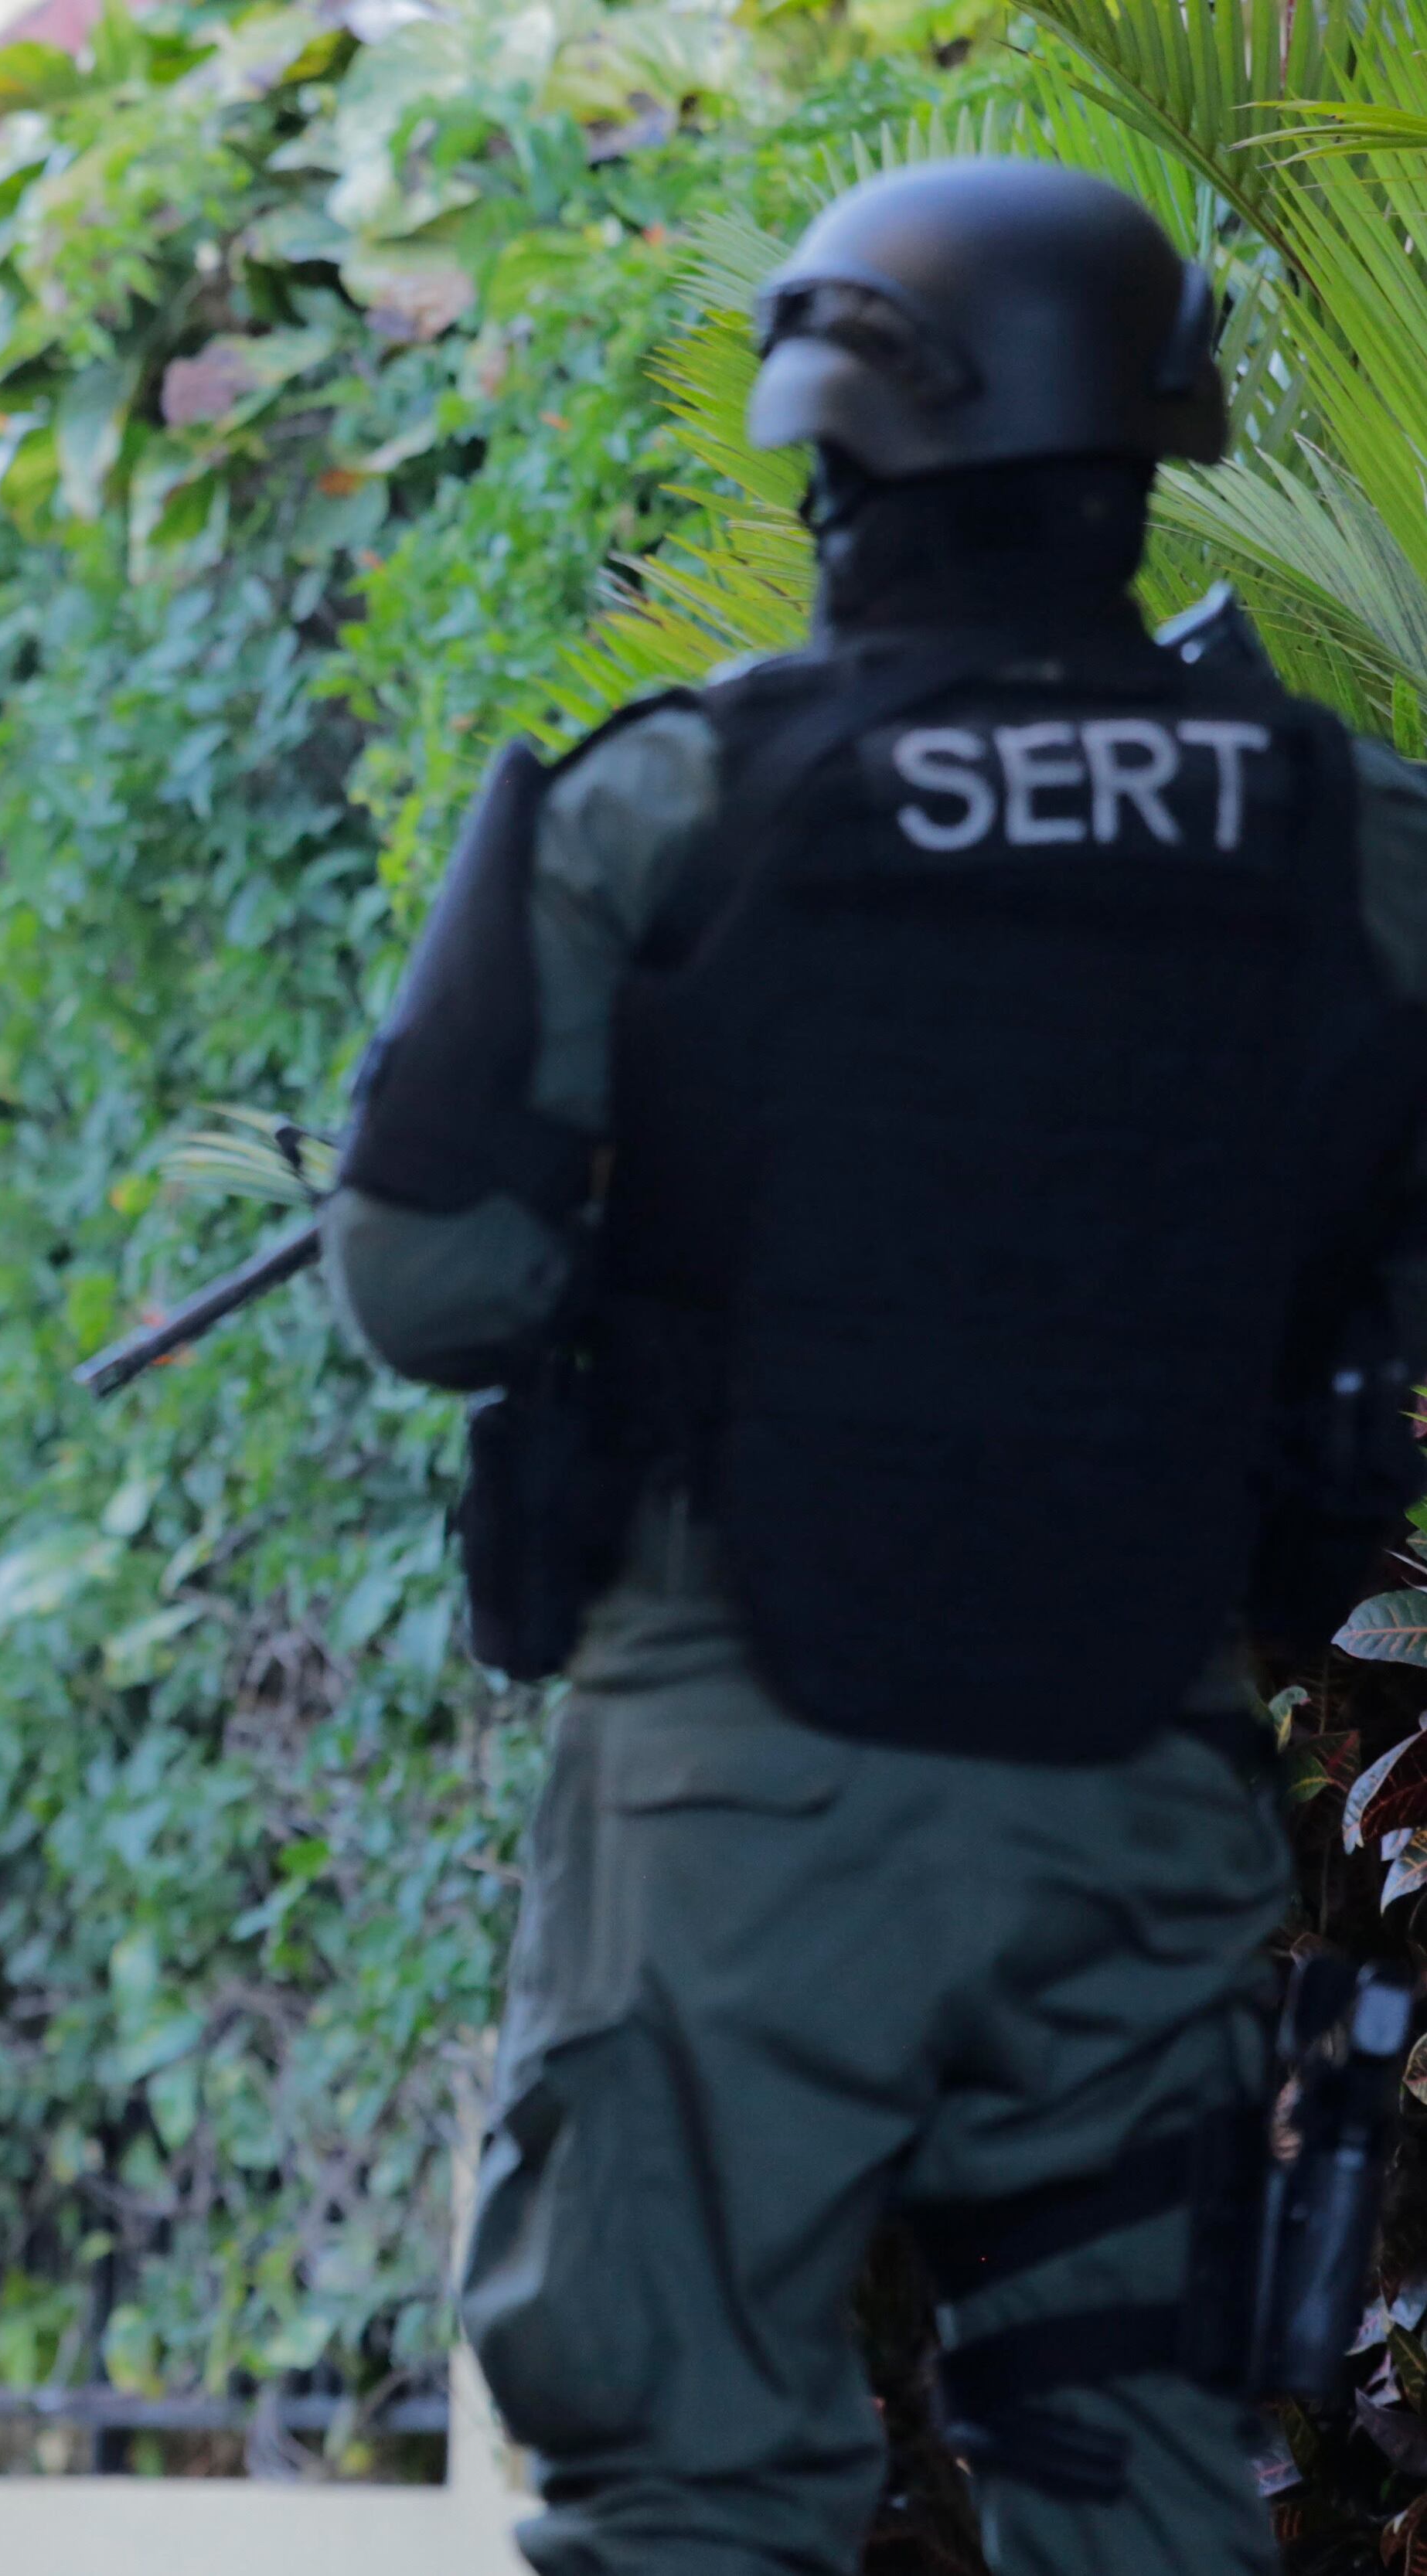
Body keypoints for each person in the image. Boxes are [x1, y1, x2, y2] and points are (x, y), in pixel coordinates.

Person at [322, 160, 1427, 2576]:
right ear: (1151, 441)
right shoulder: (1343, 832)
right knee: (1136, 2472)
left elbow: (425, 1285)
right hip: (1138, 1758)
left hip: (745, 1788)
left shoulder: (674, 803)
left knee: (696, 2480)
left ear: (832, 440)